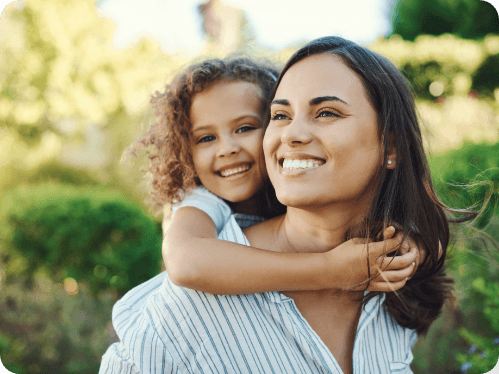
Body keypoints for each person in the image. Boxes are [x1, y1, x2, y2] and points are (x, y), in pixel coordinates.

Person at [100, 37, 464, 374]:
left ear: (392, 147)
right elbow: (185, 261)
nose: (291, 133)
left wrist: (414, 246)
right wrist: (329, 270)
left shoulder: (392, 278)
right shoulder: (192, 296)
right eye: (281, 115)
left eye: (325, 113)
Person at [133, 56, 421, 296]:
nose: (227, 149)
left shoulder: (296, 188)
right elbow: (187, 264)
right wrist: (330, 270)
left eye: (244, 128)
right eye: (206, 138)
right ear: (186, 153)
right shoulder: (200, 202)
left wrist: (409, 251)